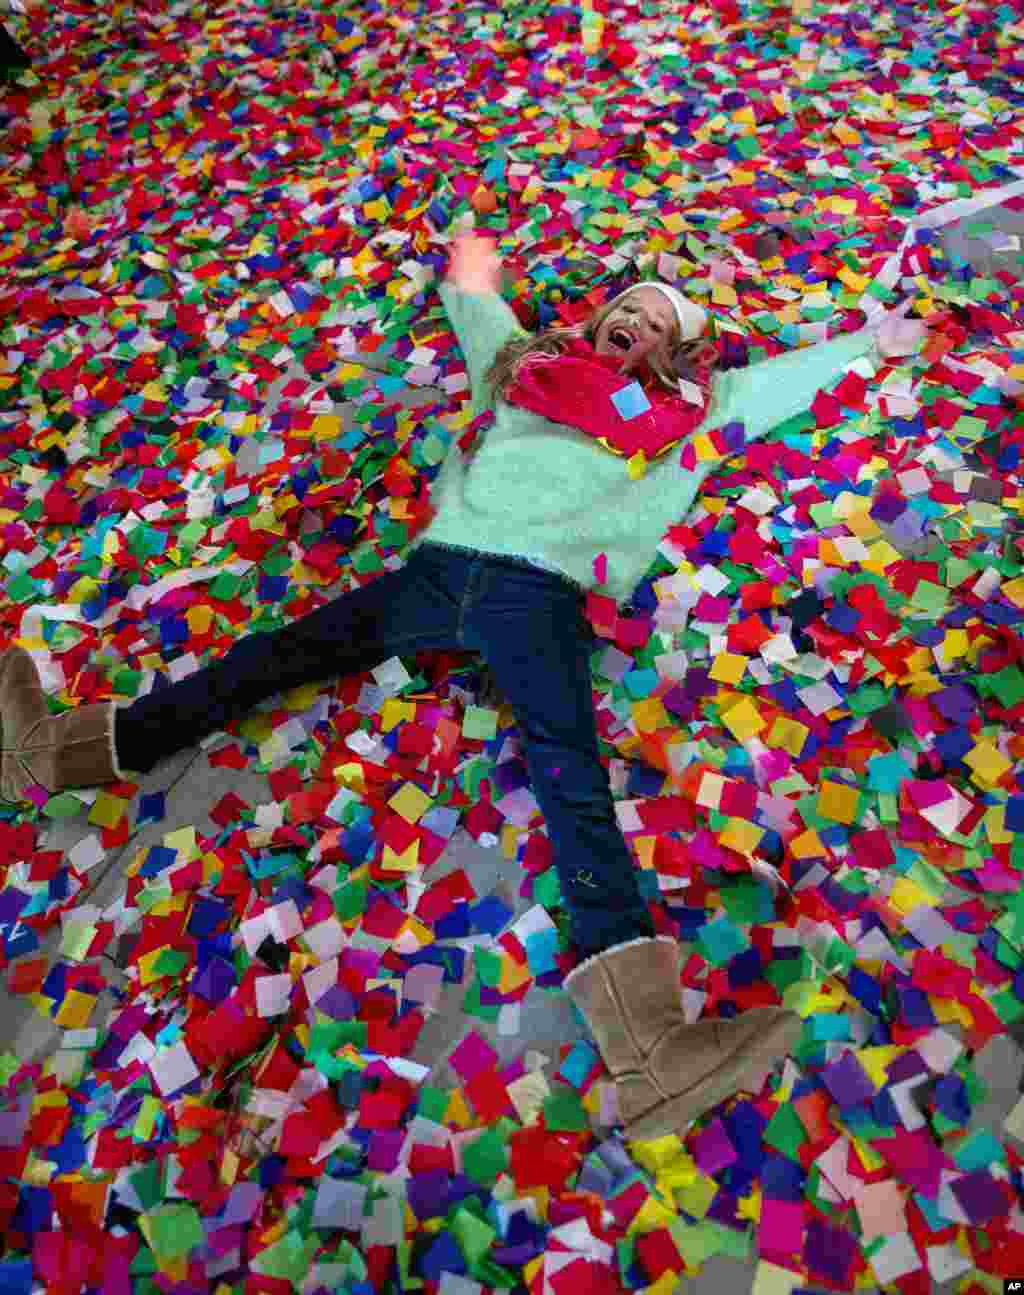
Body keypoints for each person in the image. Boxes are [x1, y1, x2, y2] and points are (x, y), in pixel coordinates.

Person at [0, 232, 929, 1139]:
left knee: (570, 771)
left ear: (672, 352)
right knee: (270, 656)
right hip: (440, 568)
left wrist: (868, 344)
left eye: (658, 324)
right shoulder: (525, 370)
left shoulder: (691, 409)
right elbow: (480, 314)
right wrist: (471, 262)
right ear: (600, 318)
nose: (636, 325)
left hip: (539, 592)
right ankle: (62, 751)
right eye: (628, 309)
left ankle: (648, 1044)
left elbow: (769, 386)